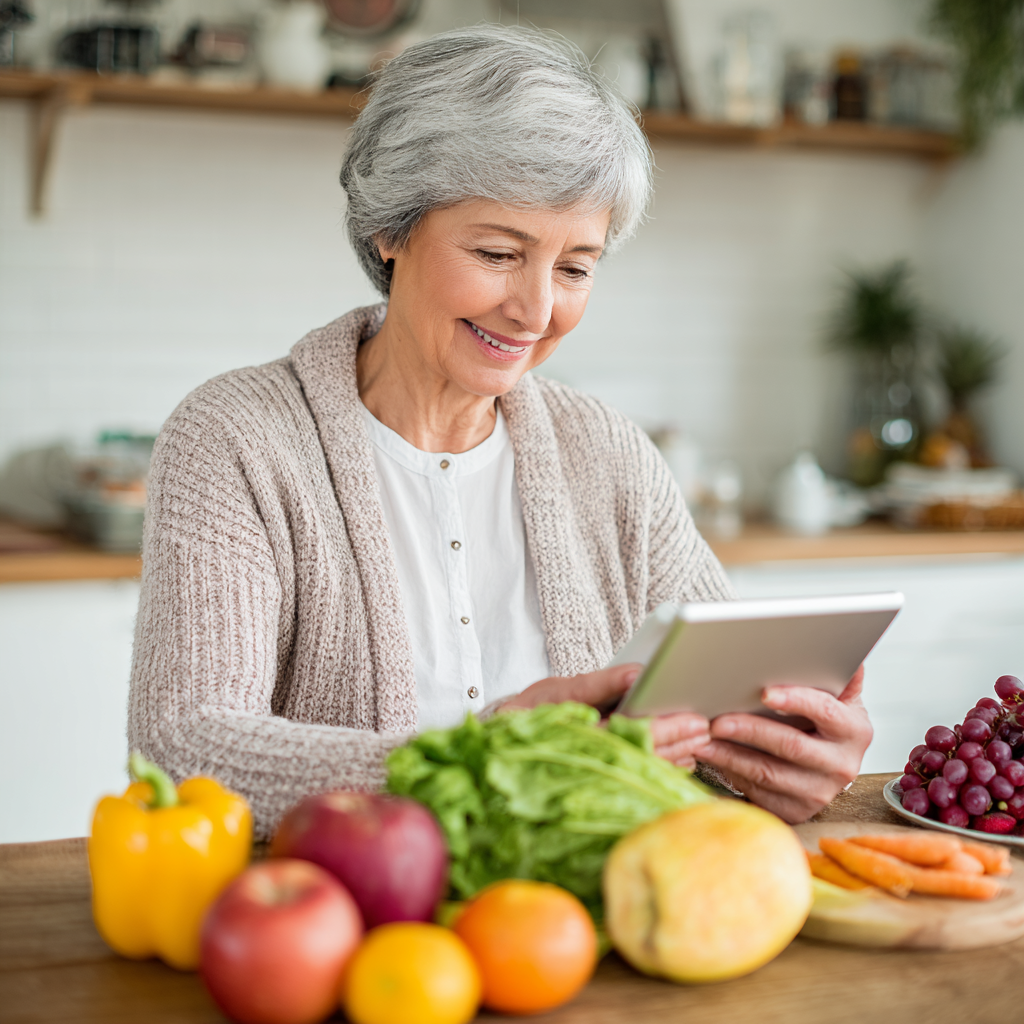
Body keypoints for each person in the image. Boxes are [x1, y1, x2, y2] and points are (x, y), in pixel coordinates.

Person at [128, 25, 871, 838]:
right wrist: (489, 760)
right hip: (342, 932)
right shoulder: (235, 439)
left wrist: (782, 763)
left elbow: (713, 731)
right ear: (391, 229)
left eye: (576, 267)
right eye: (496, 252)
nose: (536, 309)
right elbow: (185, 747)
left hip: (595, 926)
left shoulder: (610, 453)